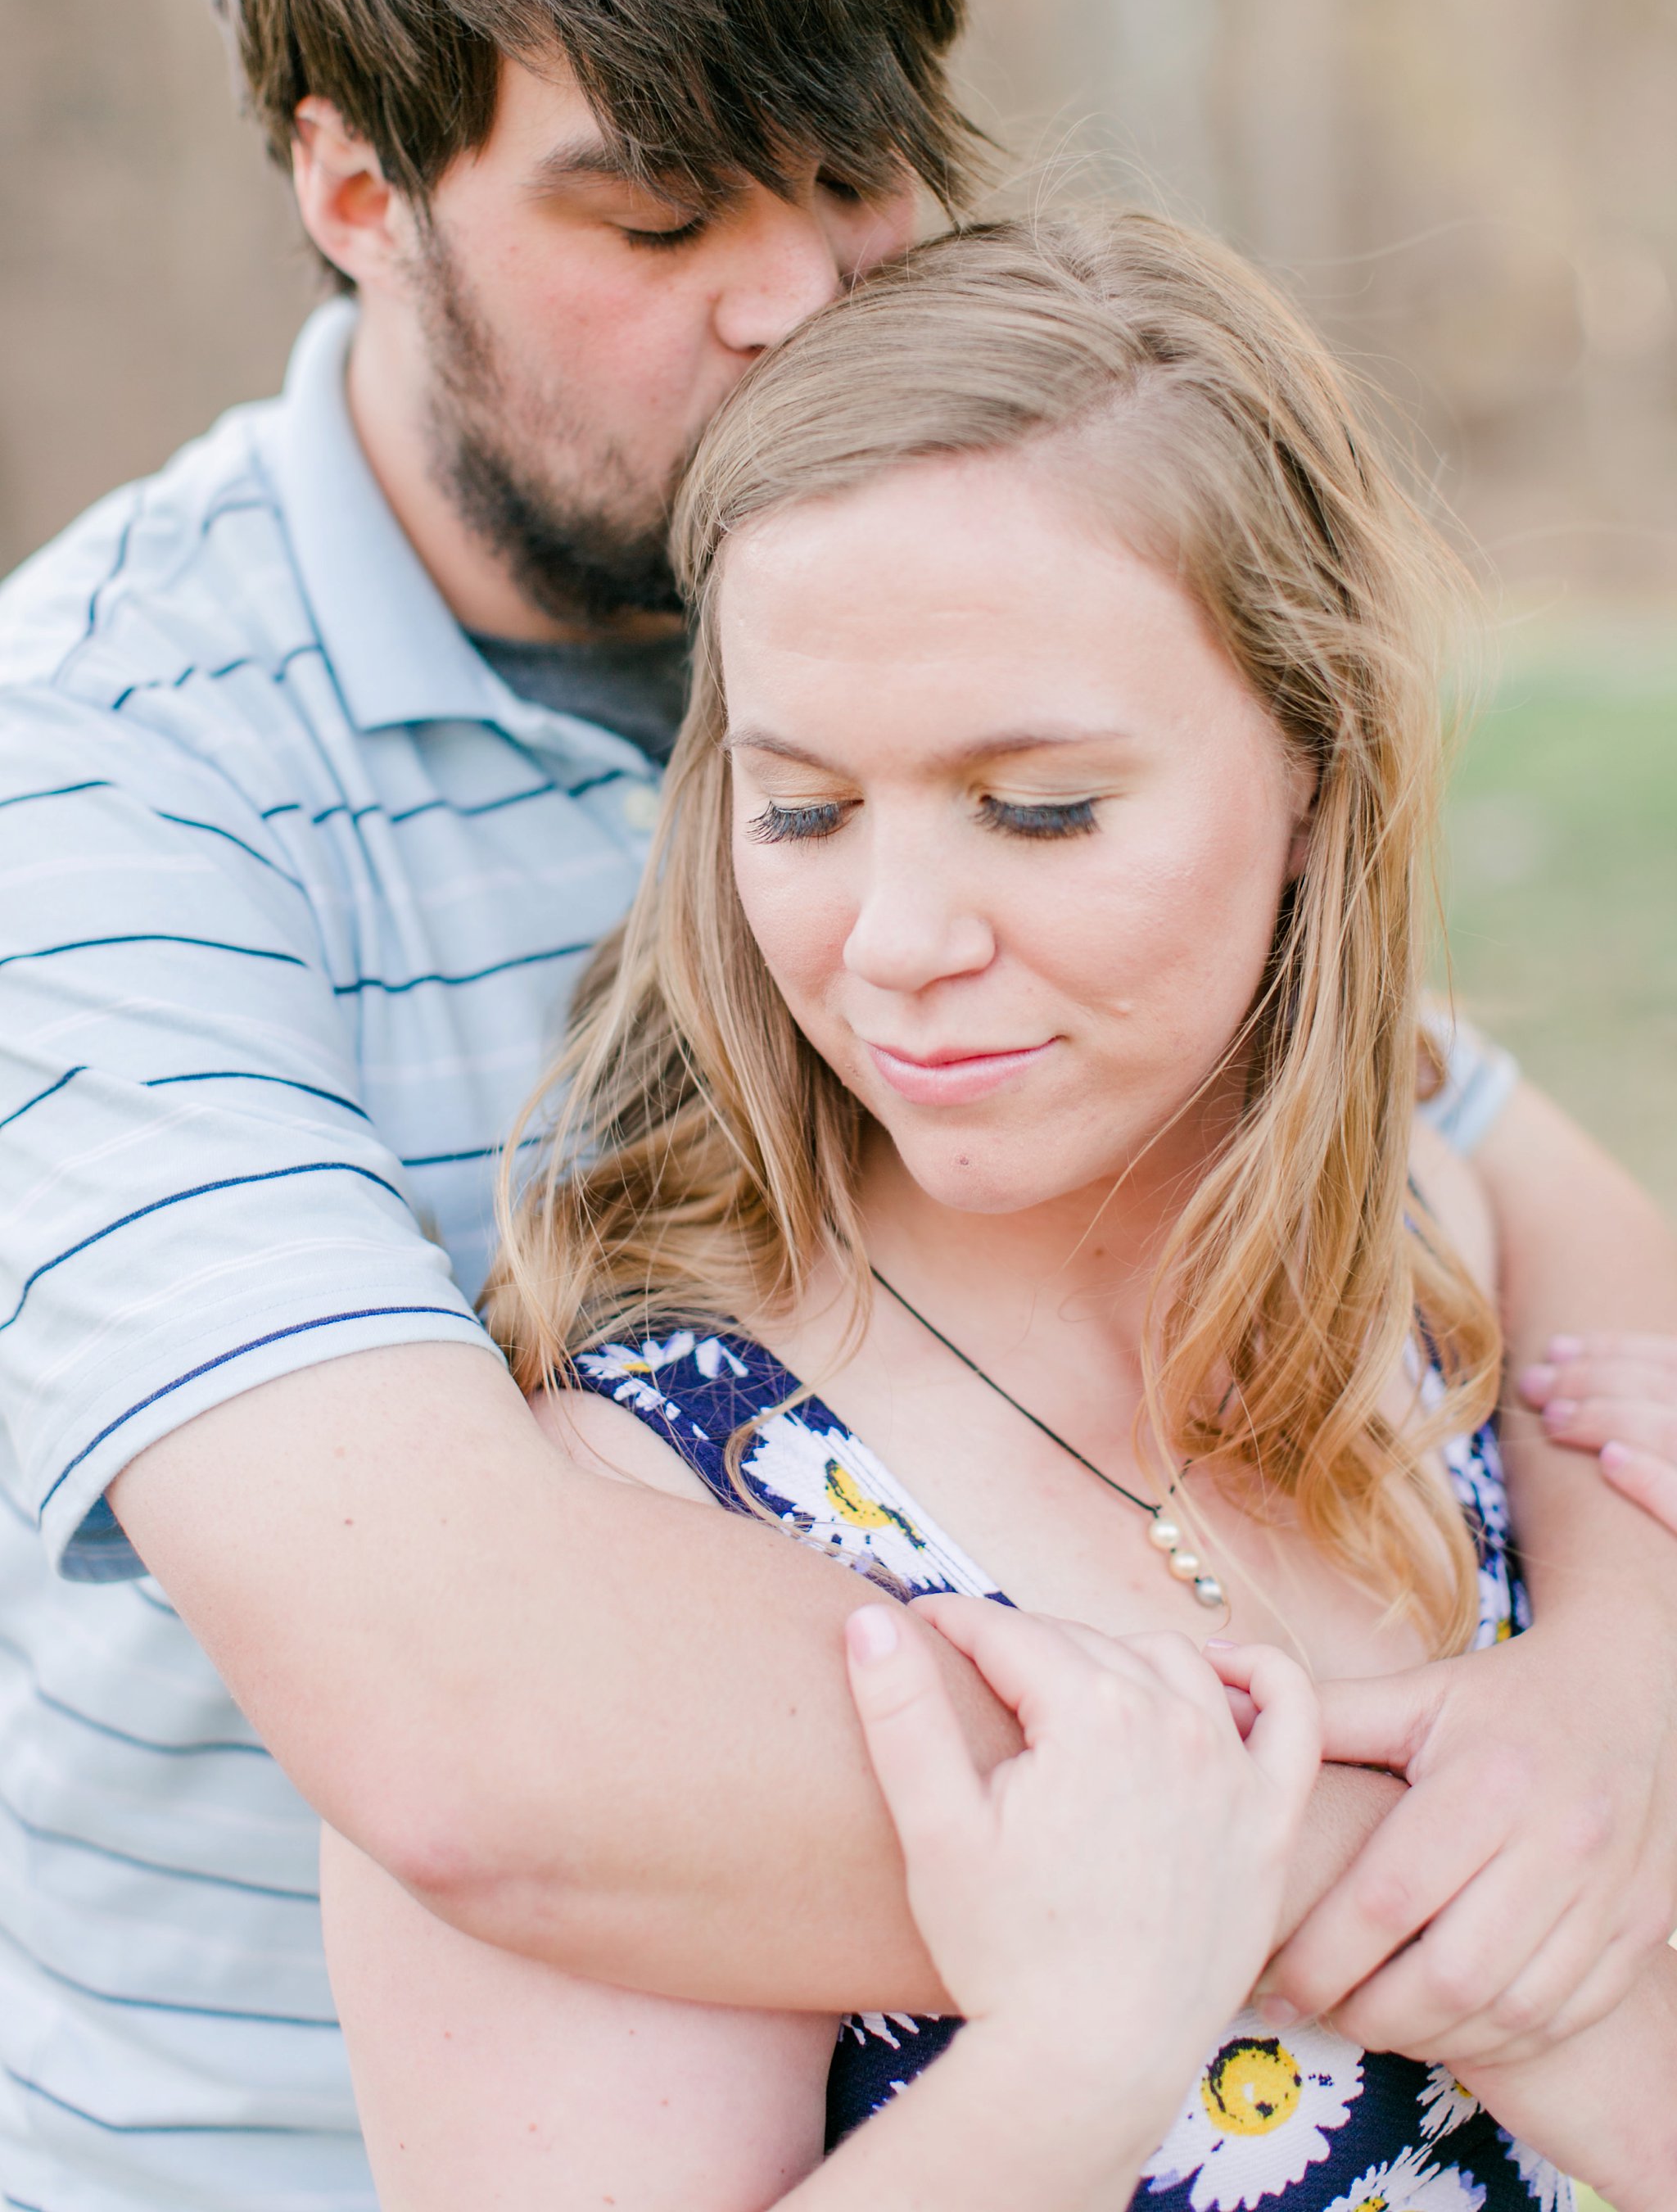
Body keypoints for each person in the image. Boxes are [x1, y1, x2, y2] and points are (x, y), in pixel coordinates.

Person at [2, 0, 1676, 2206]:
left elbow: (1477, 1163)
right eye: (659, 223)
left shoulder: (915, 561)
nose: (796, 300)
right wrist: (1433, 1882)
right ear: (357, 190)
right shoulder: (104, 785)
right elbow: (479, 1733)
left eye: (856, 169)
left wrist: (1623, 1699)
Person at [323, 213, 1677, 2210]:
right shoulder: (632, 1534)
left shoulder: (1444, 1267)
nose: (895, 943)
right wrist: (1069, 2062)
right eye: (800, 810)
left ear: (1311, 771)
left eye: (1037, 807)